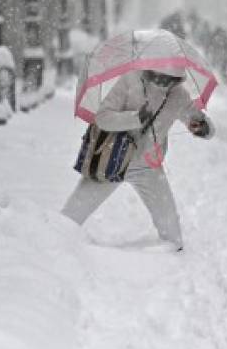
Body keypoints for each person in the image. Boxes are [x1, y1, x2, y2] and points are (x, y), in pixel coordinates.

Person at [61, 67, 215, 251]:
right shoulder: (130, 80)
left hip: (149, 168)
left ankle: (169, 264)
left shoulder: (178, 94)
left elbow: (201, 122)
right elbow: (102, 118)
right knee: (66, 221)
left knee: (173, 238)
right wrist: (135, 118)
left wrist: (203, 128)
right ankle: (52, 255)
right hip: (111, 161)